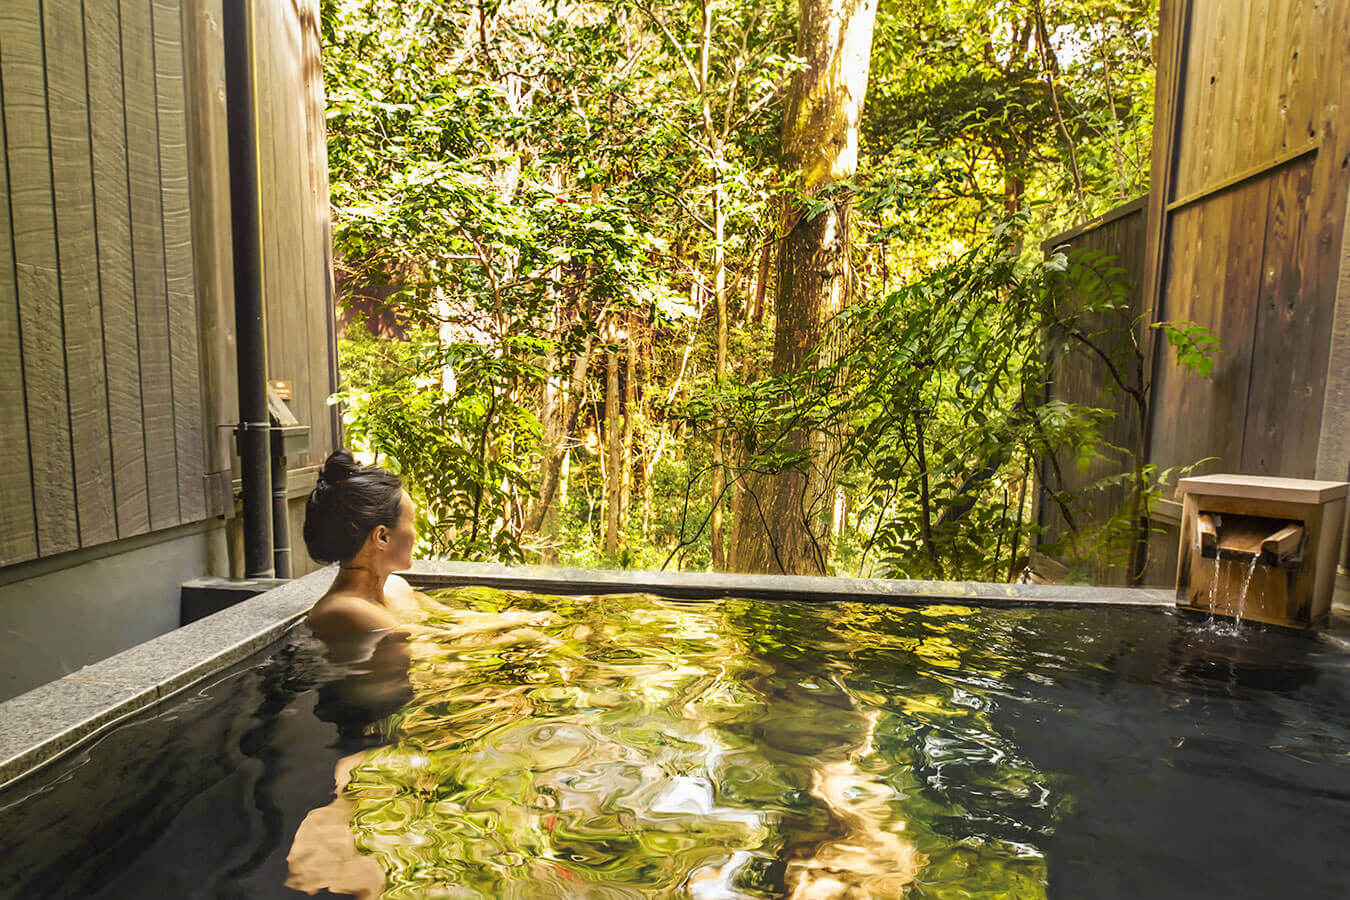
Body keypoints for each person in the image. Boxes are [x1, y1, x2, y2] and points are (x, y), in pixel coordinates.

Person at [302, 449, 421, 638]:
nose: (415, 533)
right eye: (412, 523)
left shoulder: (397, 587)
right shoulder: (344, 610)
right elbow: (428, 646)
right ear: (382, 537)